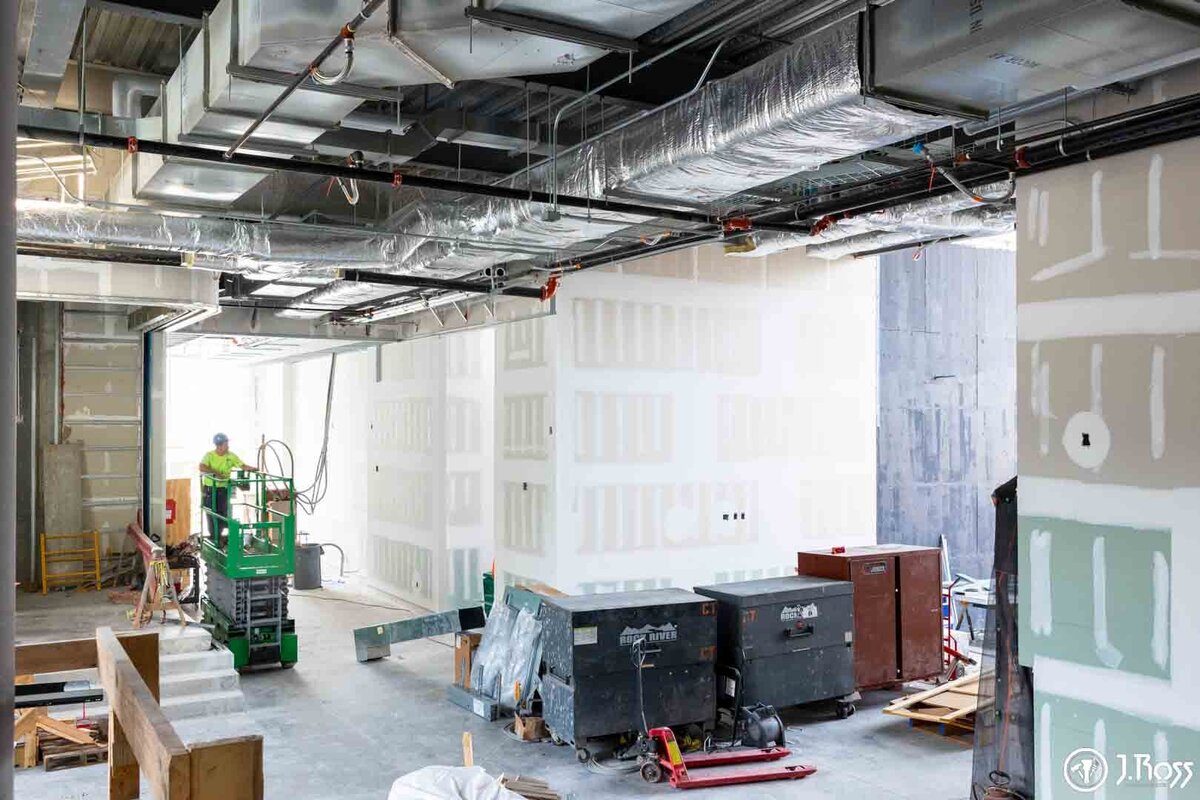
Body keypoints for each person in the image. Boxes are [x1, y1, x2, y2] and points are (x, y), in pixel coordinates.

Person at [199, 433, 255, 545]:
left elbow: (242, 466)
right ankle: (215, 538)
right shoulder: (209, 455)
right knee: (211, 515)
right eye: (226, 443)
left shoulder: (231, 456)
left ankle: (223, 537)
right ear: (219, 445)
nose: (228, 446)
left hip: (223, 489)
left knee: (223, 514)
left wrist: (253, 469)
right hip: (210, 491)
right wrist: (216, 473)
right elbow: (202, 467)